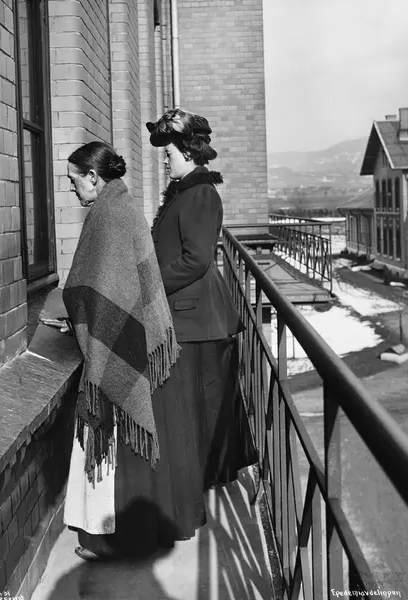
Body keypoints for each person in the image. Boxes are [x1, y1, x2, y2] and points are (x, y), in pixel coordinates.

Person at [62, 141, 181, 560]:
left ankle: (113, 540)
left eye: (74, 179)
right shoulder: (122, 206)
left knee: (112, 449)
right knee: (125, 456)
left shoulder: (108, 215)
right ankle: (124, 536)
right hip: (129, 335)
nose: (71, 188)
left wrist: (79, 315)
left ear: (94, 177)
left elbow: (90, 288)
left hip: (116, 340)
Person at [145, 108, 256, 540]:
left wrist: (148, 282)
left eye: (169, 152)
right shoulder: (185, 191)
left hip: (196, 320)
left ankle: (205, 482)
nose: (165, 159)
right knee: (201, 408)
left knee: (203, 409)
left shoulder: (201, 194)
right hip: (190, 317)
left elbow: (196, 260)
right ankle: (204, 480)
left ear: (188, 152)